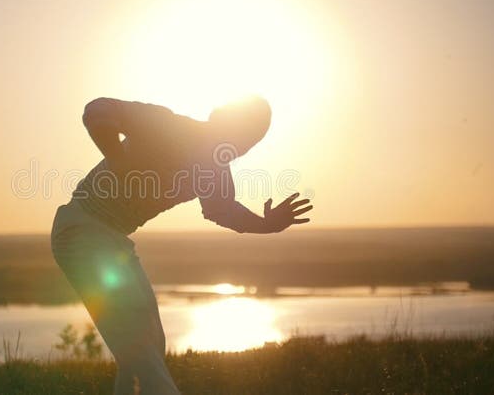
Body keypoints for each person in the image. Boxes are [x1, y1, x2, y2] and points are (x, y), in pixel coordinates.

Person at [50, 96, 312, 394]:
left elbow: (223, 211)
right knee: (140, 350)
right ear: (222, 119)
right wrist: (117, 158)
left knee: (149, 343)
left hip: (115, 243)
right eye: (244, 134)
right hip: (80, 231)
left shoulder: (214, 169)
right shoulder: (167, 125)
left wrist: (266, 225)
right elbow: (98, 111)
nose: (243, 147)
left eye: (252, 142)